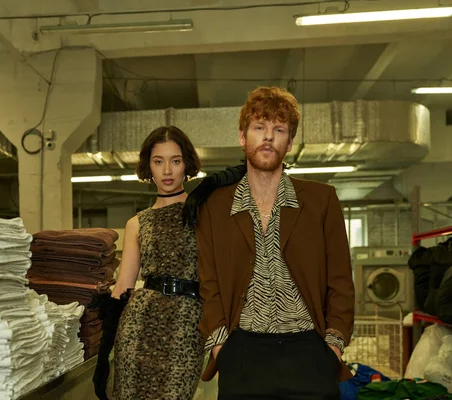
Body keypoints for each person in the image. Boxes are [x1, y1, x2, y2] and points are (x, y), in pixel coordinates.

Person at [192, 86, 355, 399]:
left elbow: (341, 280)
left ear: (289, 142)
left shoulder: (321, 201)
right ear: (243, 137)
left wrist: (333, 344)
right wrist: (220, 344)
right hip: (242, 353)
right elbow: (207, 281)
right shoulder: (215, 206)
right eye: (259, 128)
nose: (268, 137)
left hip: (310, 352)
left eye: (278, 129)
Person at [92, 126, 206, 400]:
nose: (167, 170)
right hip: (139, 325)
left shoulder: (203, 213)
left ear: (186, 165)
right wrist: (103, 353)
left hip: (187, 326)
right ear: (149, 167)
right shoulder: (137, 223)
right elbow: (123, 287)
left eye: (175, 161)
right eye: (158, 161)